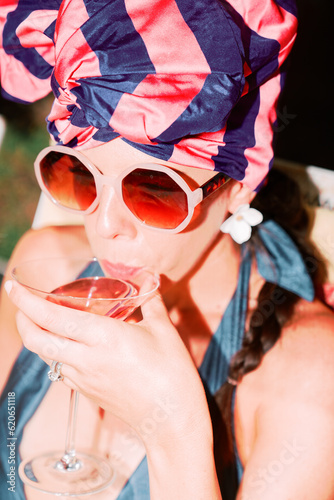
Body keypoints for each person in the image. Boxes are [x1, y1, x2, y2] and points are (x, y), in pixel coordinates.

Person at [1, 1, 334, 499]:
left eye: (153, 190)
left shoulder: (312, 376)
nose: (105, 226)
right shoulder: (44, 268)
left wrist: (173, 432)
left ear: (238, 187)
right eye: (79, 176)